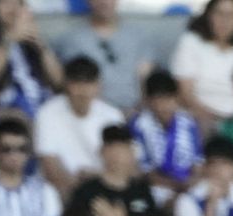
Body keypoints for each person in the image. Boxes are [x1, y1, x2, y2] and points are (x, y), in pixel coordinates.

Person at [35, 57, 126, 199]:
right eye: (77, 83)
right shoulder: (47, 113)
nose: (83, 91)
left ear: (98, 86)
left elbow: (124, 164)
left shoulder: (113, 116)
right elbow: (49, 165)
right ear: (66, 84)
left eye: (89, 84)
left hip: (104, 186)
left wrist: (97, 178)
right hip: (65, 189)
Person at [57, 0, 160, 114]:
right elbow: (75, 84)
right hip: (93, 115)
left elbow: (146, 78)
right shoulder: (73, 39)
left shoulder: (139, 35)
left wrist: (138, 113)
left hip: (137, 114)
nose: (104, 2)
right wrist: (106, 114)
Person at [169, 0, 233, 126]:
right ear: (208, 15)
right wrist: (210, 118)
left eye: (231, 15)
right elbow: (185, 92)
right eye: (219, 14)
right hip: (200, 116)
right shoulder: (190, 42)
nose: (225, 20)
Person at [0, 0, 62, 120]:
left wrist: (41, 46)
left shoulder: (34, 41)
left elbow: (59, 82)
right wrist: (10, 38)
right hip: (7, 113)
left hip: (43, 110)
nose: (11, 8)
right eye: (4, 3)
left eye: (16, 2)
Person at [132, 71, 202, 197]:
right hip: (157, 186)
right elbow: (144, 172)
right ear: (148, 101)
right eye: (159, 100)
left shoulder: (188, 122)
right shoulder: (139, 125)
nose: (164, 106)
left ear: (176, 98)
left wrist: (192, 182)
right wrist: (175, 186)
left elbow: (197, 163)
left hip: (189, 184)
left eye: (169, 99)